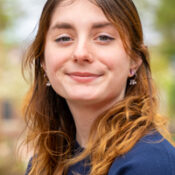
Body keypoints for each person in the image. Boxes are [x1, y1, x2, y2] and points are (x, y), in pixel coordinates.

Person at [22, 0, 175, 175]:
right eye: (64, 38)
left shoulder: (150, 163)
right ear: (43, 61)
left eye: (103, 37)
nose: (80, 53)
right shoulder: (42, 164)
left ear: (134, 60)